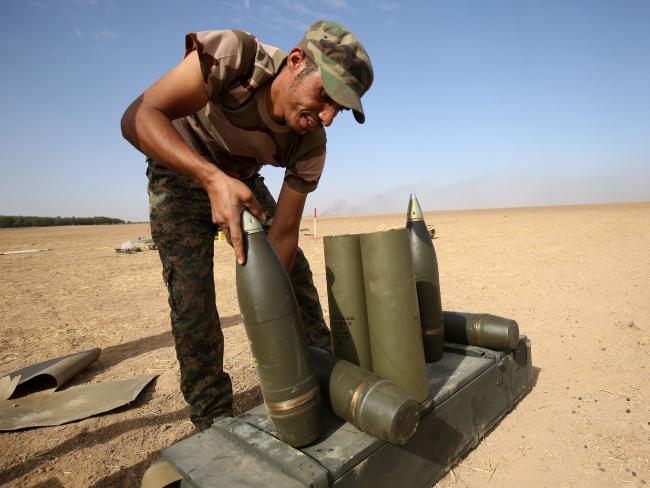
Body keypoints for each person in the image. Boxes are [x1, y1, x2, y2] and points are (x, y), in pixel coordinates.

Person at [121, 20, 373, 431]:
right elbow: (137, 116)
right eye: (325, 96)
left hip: (241, 183)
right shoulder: (235, 57)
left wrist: (267, 305)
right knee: (192, 301)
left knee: (296, 279)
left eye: (339, 109)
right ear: (295, 61)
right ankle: (214, 419)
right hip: (178, 175)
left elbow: (286, 231)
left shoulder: (310, 144)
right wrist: (210, 178)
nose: (327, 117)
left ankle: (323, 374)